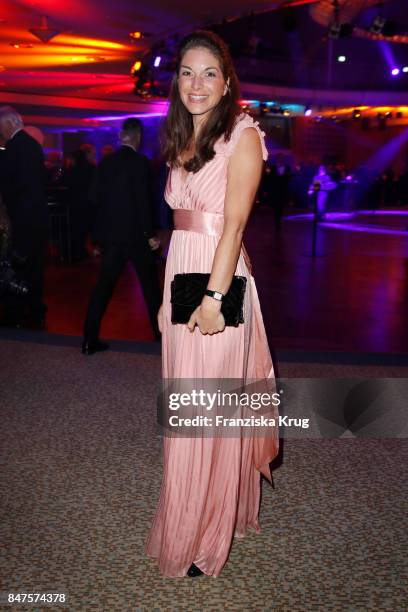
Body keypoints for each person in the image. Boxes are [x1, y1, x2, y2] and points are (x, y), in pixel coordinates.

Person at [145, 31, 279, 578]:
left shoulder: (242, 136)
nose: (196, 84)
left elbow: (235, 226)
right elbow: (181, 231)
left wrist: (214, 299)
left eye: (208, 74)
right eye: (186, 73)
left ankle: (204, 537)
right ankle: (189, 517)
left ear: (226, 84)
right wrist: (163, 299)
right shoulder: (183, 136)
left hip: (220, 280)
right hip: (183, 272)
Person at [82, 118, 161, 354]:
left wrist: (98, 232)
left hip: (112, 237)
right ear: (138, 137)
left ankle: (89, 339)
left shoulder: (105, 162)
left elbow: (93, 198)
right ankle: (161, 337)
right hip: (136, 236)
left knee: (103, 288)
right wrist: (150, 234)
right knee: (150, 289)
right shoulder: (140, 163)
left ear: (121, 137)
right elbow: (143, 202)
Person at [0, 105, 48, 328]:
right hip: (36, 219)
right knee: (34, 268)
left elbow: (14, 188)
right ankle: (35, 310)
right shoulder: (32, 146)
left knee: (18, 268)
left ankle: (17, 313)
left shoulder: (14, 148)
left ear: (9, 123)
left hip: (23, 219)